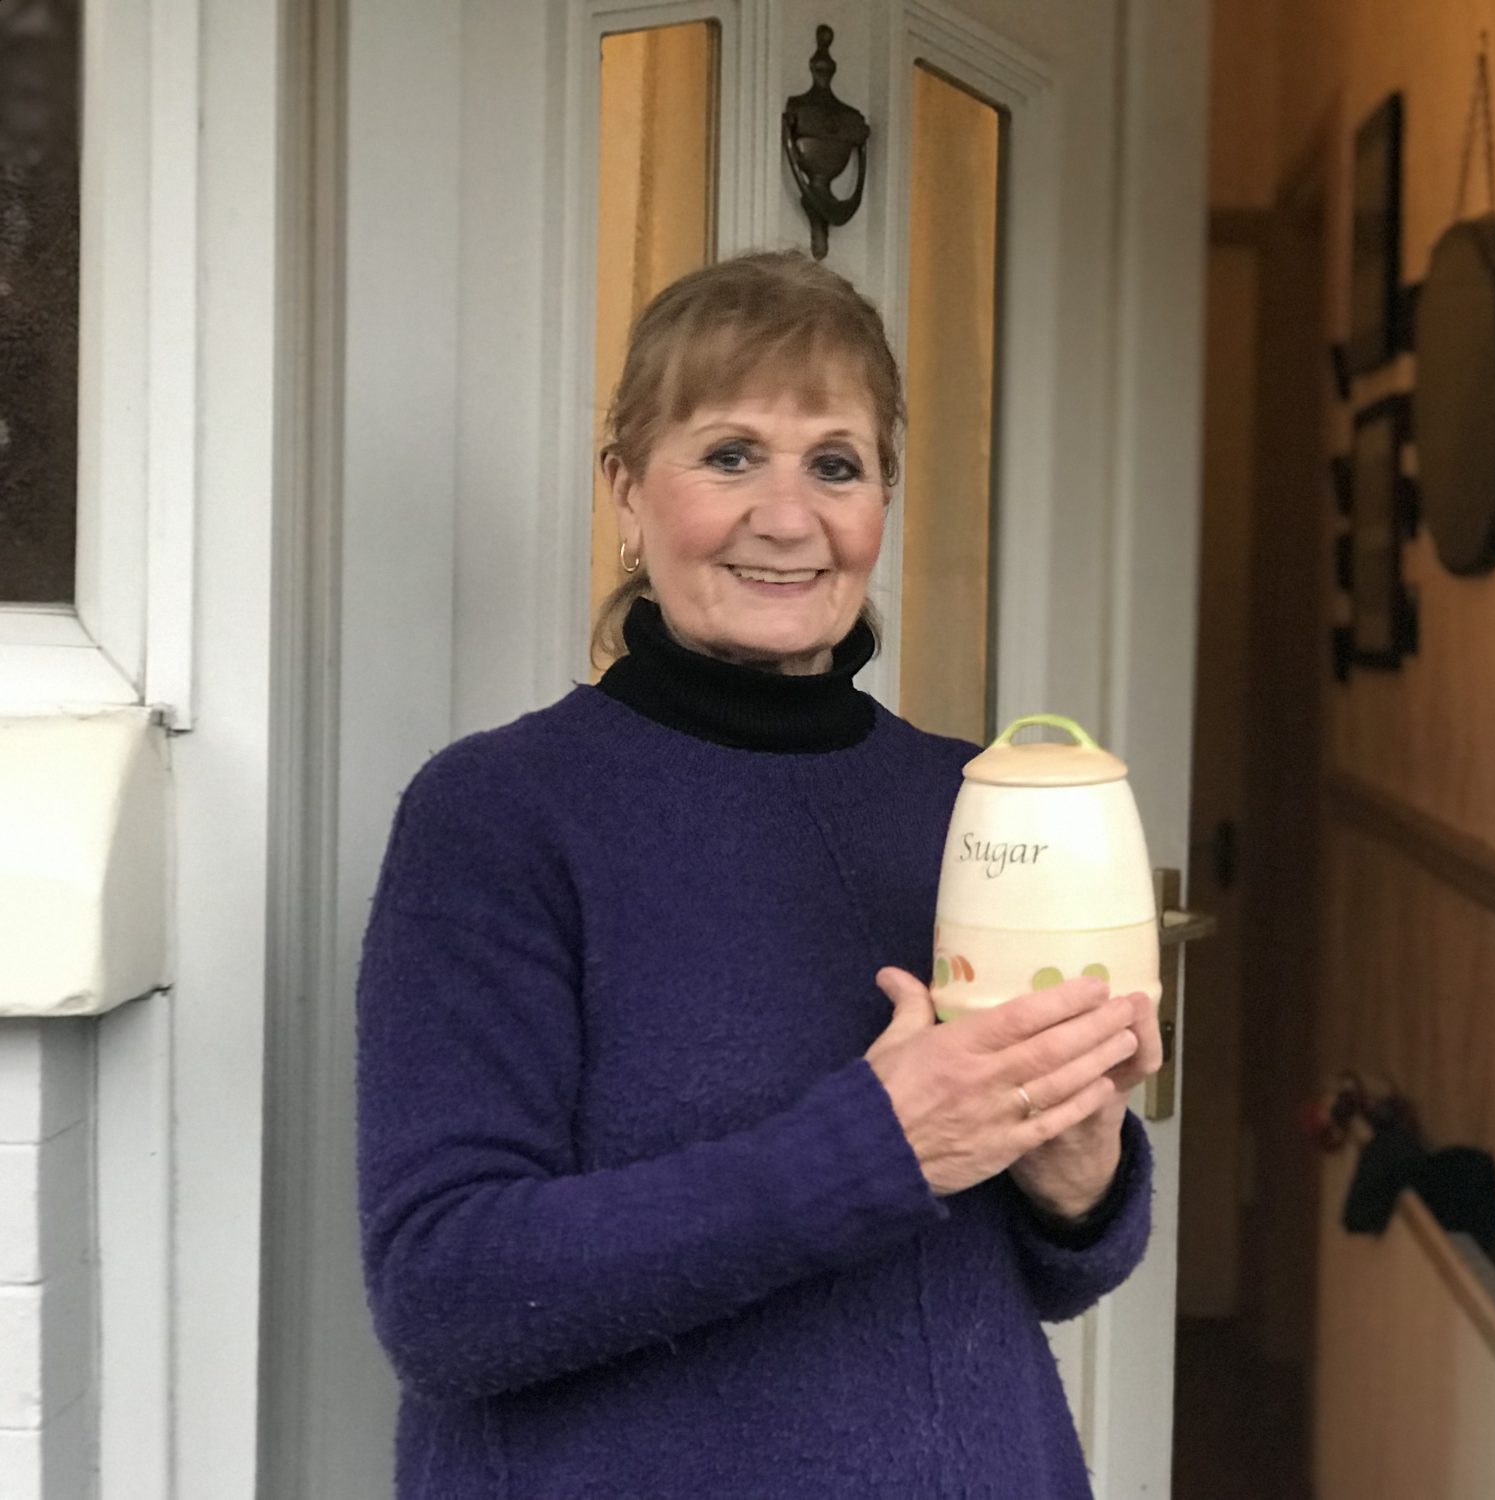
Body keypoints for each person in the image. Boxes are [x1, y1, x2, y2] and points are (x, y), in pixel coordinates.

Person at [355, 250, 1163, 1499]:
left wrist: (1079, 1178)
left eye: (835, 464)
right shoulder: (500, 814)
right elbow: (447, 1293)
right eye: (729, 454)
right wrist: (875, 1144)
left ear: (883, 501)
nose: (787, 517)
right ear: (625, 492)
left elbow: (1047, 1271)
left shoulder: (975, 801)